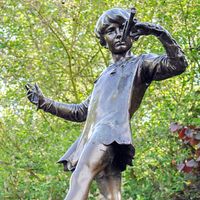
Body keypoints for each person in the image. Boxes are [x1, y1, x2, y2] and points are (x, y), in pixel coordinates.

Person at [25, 7, 188, 200]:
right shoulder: (103, 77)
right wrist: (45, 103)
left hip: (109, 133)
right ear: (103, 40)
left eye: (123, 28)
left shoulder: (141, 63)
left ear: (133, 34)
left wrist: (157, 32)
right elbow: (80, 112)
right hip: (98, 136)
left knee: (81, 177)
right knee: (112, 196)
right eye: (111, 30)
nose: (118, 34)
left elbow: (178, 64)